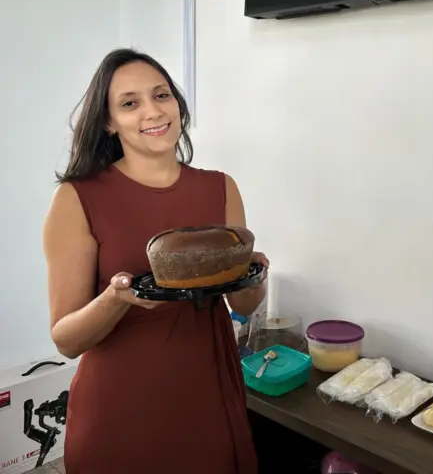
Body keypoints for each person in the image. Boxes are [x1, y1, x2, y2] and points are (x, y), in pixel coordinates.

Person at [42, 48, 265, 473]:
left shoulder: (222, 188)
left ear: (177, 104)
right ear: (108, 122)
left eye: (161, 95)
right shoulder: (77, 198)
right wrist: (115, 299)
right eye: (130, 103)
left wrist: (255, 273)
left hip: (209, 396)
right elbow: (66, 341)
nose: (153, 111)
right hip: (122, 407)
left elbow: (243, 304)